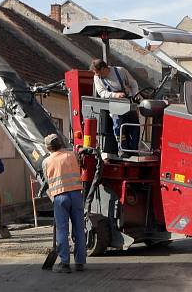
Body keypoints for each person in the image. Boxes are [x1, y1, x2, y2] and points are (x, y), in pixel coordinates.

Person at [42, 134, 86, 273]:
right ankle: (80, 262)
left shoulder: (46, 161)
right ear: (61, 143)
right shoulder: (72, 155)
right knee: (79, 228)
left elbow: (47, 180)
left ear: (48, 147)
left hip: (60, 197)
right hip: (76, 195)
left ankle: (64, 263)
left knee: (62, 230)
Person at [91, 58, 140, 152]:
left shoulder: (120, 71)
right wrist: (115, 95)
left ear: (103, 68)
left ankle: (134, 150)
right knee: (118, 126)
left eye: (98, 73)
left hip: (128, 101)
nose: (97, 76)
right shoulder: (97, 77)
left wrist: (135, 94)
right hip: (114, 103)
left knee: (134, 125)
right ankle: (123, 149)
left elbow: (133, 84)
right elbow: (102, 93)